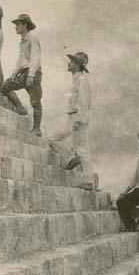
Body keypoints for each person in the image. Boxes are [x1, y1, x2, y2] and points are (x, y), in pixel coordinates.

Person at [49, 52, 95, 190]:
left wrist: (79, 120)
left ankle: (88, 180)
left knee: (82, 149)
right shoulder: (76, 79)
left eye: (72, 61)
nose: (69, 63)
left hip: (78, 118)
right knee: (51, 138)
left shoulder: (81, 80)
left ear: (77, 65)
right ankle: (70, 158)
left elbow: (84, 101)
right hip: (72, 117)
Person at [0, 14, 43, 136]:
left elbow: (36, 57)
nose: (16, 27)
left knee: (35, 101)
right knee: (5, 86)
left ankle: (37, 129)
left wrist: (31, 75)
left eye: (18, 25)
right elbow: (21, 59)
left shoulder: (33, 37)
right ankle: (19, 106)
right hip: (22, 72)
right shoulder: (22, 40)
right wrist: (14, 73)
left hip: (33, 73)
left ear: (25, 25)